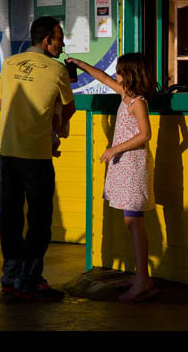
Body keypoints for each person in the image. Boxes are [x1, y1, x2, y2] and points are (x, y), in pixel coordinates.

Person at [65, 53, 158, 303]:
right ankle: (142, 276)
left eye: (120, 72)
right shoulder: (125, 95)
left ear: (130, 75)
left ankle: (143, 281)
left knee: (133, 221)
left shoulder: (137, 102)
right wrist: (81, 64)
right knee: (131, 221)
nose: (115, 75)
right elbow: (102, 77)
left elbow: (145, 134)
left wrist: (114, 149)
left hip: (133, 165)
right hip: (125, 166)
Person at [0, 16, 76, 301]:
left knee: (10, 218)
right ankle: (29, 280)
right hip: (36, 157)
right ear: (47, 41)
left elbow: (3, 104)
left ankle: (10, 278)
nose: (62, 44)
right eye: (60, 39)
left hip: (7, 153)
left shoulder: (7, 65)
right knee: (40, 221)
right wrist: (54, 133)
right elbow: (69, 109)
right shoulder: (57, 71)